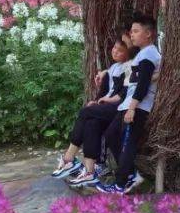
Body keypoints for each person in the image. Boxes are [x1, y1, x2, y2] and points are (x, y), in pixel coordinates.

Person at [95, 14, 161, 194]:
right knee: (110, 134)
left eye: (136, 31)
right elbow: (145, 78)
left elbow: (143, 85)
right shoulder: (145, 54)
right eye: (131, 31)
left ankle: (120, 184)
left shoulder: (148, 54)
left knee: (129, 143)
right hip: (127, 104)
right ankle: (131, 174)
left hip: (137, 107)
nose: (131, 35)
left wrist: (132, 108)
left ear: (148, 34)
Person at [54, 38, 132, 184]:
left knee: (85, 112)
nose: (115, 51)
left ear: (128, 53)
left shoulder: (129, 68)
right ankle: (89, 171)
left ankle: (69, 158)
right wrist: (96, 101)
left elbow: (123, 94)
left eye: (120, 50)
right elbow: (104, 91)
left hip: (118, 108)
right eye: (114, 48)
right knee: (91, 122)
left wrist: (105, 101)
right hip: (106, 106)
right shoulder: (114, 68)